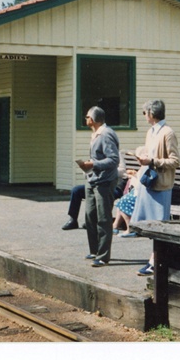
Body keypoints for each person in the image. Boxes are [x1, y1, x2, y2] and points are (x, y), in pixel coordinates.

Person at [131, 99, 180, 276]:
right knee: (151, 225)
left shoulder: (168, 133)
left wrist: (152, 161)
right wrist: (140, 153)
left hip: (161, 185)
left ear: (151, 114)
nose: (144, 116)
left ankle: (156, 261)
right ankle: (155, 260)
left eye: (144, 113)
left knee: (160, 224)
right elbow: (149, 151)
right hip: (149, 183)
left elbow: (175, 161)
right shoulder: (151, 132)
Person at [76, 106, 120, 267]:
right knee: (90, 215)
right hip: (92, 179)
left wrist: (93, 164)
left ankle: (103, 255)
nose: (85, 119)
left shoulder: (106, 134)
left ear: (93, 119)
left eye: (87, 116)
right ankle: (94, 250)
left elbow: (114, 160)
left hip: (104, 181)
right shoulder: (95, 133)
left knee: (103, 217)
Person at [62, 161, 127, 231]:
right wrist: (86, 170)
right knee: (76, 190)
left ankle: (94, 221)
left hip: (113, 186)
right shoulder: (94, 155)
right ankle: (73, 219)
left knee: (102, 192)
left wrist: (103, 170)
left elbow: (122, 171)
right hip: (96, 184)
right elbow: (86, 174)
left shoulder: (115, 154)